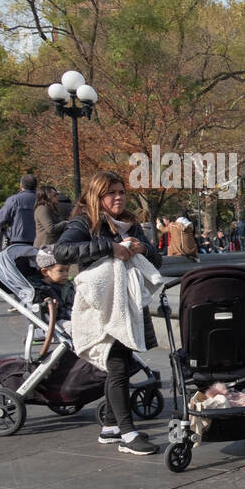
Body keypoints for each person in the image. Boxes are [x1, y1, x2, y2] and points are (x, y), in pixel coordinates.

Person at [53, 171, 162, 455]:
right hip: (99, 305)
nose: (118, 197)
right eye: (111, 193)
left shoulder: (129, 224)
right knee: (116, 365)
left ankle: (111, 427)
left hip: (125, 302)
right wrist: (109, 247)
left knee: (122, 363)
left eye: (121, 192)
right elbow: (62, 251)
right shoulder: (82, 222)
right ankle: (128, 435)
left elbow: (156, 259)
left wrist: (143, 248)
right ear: (97, 196)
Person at [0, 174, 39, 245]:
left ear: (21, 185)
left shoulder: (14, 200)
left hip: (18, 239)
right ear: (36, 186)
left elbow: (2, 218)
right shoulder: (42, 200)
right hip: (38, 240)